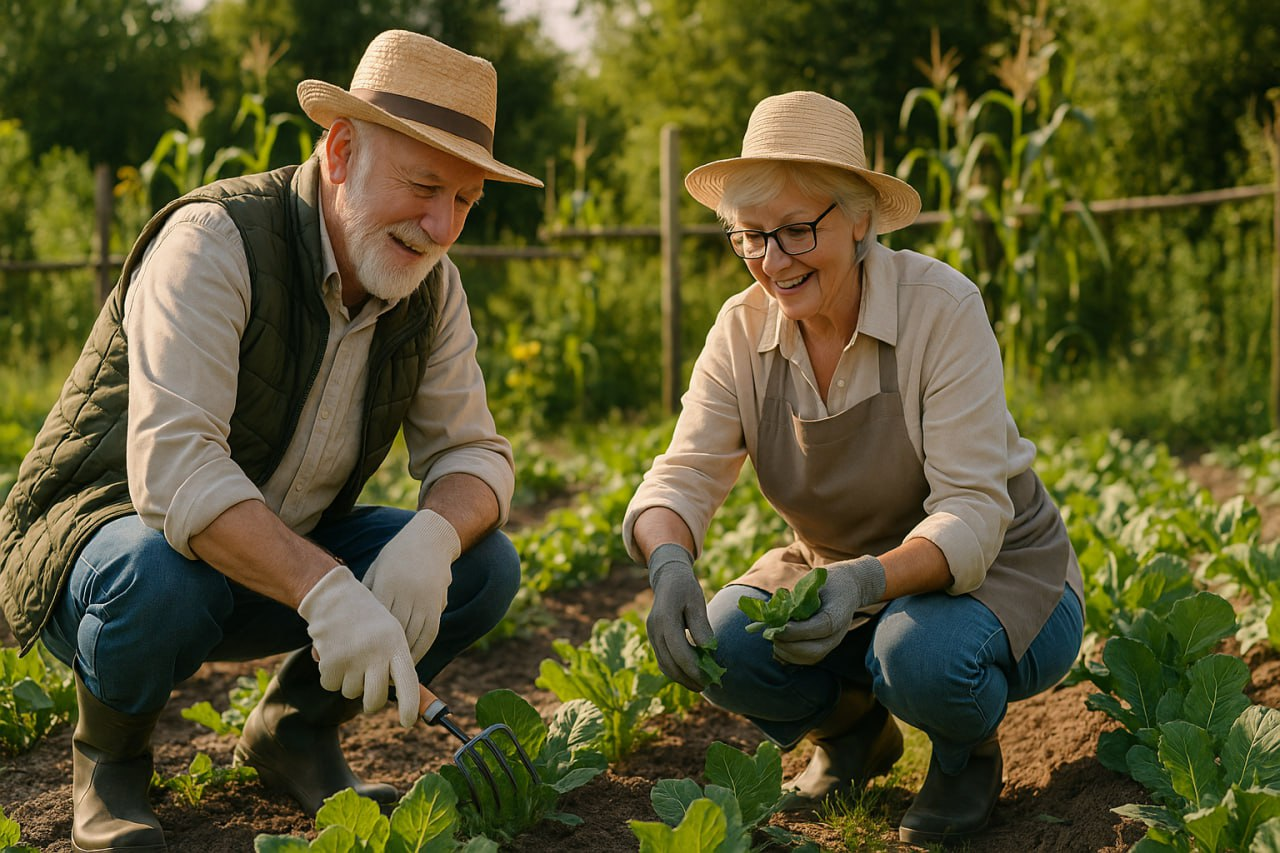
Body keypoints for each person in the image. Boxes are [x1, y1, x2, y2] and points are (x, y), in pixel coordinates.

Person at [0, 30, 541, 853]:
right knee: (159, 576)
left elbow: (473, 454)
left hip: (270, 556)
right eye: (425, 184)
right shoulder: (214, 243)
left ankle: (293, 728)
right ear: (341, 150)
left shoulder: (432, 291)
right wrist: (329, 592)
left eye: (465, 200)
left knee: (484, 563)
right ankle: (108, 761)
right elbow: (177, 472)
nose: (440, 224)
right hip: (106, 547)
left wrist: (436, 534)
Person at [624, 91, 1084, 845]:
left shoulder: (941, 309)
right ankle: (855, 737)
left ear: (861, 218)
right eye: (750, 236)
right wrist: (668, 558)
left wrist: (865, 582)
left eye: (799, 229)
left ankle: (965, 756)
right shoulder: (742, 330)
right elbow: (685, 469)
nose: (773, 260)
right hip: (831, 576)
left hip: (1002, 576)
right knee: (729, 645)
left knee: (917, 651)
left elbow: (972, 512)